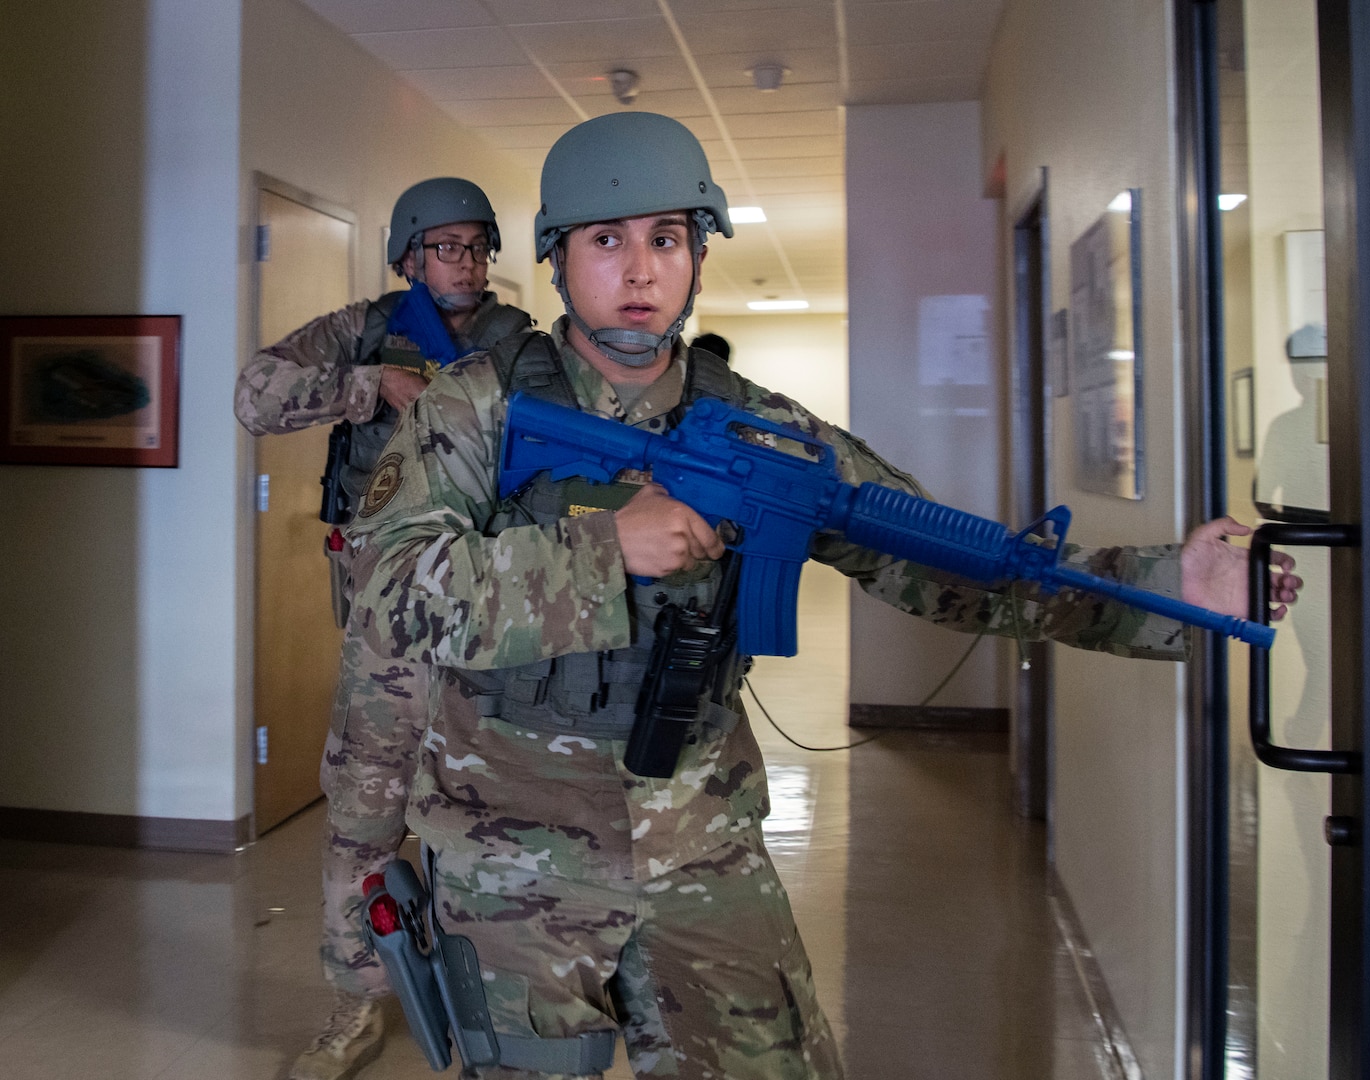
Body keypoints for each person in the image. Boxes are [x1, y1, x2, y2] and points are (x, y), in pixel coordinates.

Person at [343, 113, 1300, 1080]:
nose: (639, 271)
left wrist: (1165, 585)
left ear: (700, 260)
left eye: (666, 239)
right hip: (508, 855)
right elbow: (386, 595)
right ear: (556, 258)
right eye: (607, 240)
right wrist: (602, 552)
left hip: (700, 844)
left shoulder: (765, 430)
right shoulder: (477, 404)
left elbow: (948, 567)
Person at [234, 177, 533, 1080]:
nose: (468, 264)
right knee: (366, 807)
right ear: (408, 255)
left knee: (494, 809)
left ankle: (499, 1000)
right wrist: (369, 386)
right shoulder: (362, 328)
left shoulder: (519, 344)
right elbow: (256, 394)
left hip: (490, 616)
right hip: (386, 622)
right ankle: (356, 999)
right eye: (447, 247)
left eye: (479, 247)